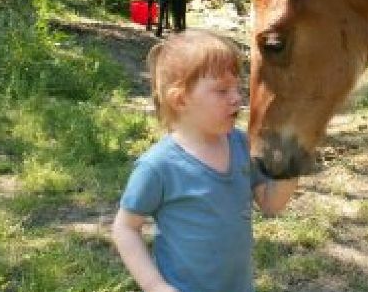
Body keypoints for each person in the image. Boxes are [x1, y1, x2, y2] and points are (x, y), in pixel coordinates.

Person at [112, 30, 297, 292]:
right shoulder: (159, 166)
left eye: (237, 87)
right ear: (181, 100)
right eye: (222, 90)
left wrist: (291, 168)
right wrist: (155, 286)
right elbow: (126, 228)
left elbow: (271, 203)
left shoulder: (242, 145)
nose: (236, 98)